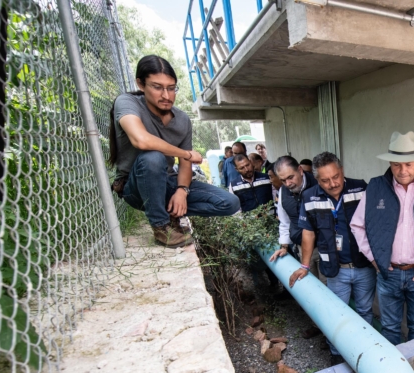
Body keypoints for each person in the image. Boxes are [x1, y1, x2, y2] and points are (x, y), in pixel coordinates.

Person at [108, 55, 240, 248]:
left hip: (168, 181)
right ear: (141, 84)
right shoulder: (127, 102)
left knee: (230, 202)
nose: (166, 95)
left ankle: (171, 214)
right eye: (157, 87)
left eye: (171, 88)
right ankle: (161, 227)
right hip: (136, 186)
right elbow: (141, 140)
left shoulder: (182, 120)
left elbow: (185, 165)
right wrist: (185, 153)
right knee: (153, 157)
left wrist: (181, 191)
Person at [349, 131, 414, 345]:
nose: (403, 170)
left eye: (408, 164)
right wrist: (374, 259)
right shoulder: (376, 187)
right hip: (388, 274)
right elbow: (357, 224)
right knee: (389, 328)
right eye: (397, 164)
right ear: (390, 162)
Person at [287, 152, 373, 365]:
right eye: (325, 180)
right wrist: (304, 265)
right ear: (317, 179)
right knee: (335, 315)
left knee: (364, 311)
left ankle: (363, 353)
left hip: (364, 266)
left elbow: (376, 225)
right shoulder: (309, 197)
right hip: (336, 269)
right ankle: (336, 355)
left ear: (342, 171)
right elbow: (308, 233)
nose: (333, 183)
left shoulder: (360, 188)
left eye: (336, 176)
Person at [269, 156, 316, 262]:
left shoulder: (318, 184)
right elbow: (285, 222)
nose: (288, 184)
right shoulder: (282, 191)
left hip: (324, 249)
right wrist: (284, 247)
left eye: (290, 177)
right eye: (283, 180)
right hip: (301, 248)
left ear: (300, 170)